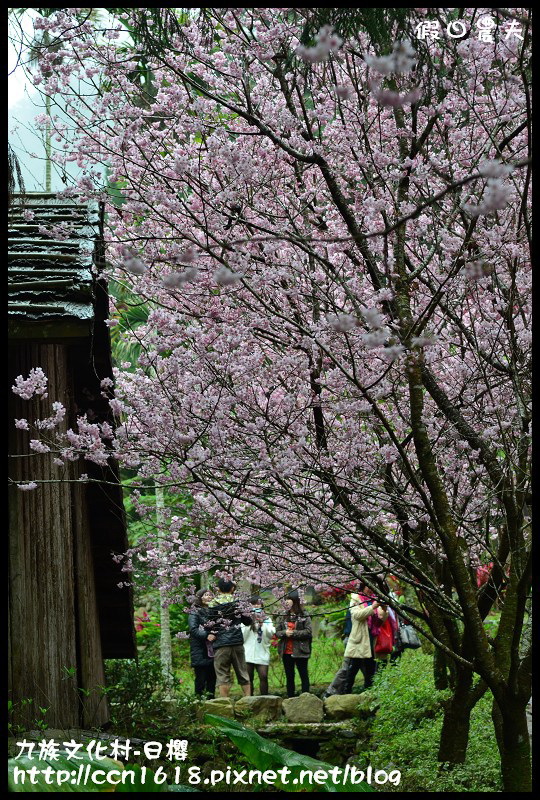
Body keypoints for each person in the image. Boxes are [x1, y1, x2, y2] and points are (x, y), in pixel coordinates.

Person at [207, 578, 253, 698]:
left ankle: (224, 703)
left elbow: (210, 624)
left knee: (222, 675)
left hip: (221, 644)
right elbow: (248, 621)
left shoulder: (212, 604)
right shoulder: (238, 603)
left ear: (218, 589)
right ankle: (248, 700)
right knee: (242, 672)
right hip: (237, 642)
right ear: (232, 588)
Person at [343, 589, 388, 692]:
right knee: (354, 667)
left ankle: (369, 693)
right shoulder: (356, 598)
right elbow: (357, 615)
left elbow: (380, 621)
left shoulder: (374, 599)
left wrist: (384, 610)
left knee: (371, 668)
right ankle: (346, 693)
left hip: (371, 638)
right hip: (360, 638)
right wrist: (372, 607)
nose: (370, 588)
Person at [275, 591, 312, 697]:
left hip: (300, 650)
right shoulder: (282, 615)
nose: (286, 601)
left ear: (295, 601)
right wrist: (285, 633)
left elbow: (308, 631)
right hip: (286, 651)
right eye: (286, 599)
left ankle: (306, 698)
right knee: (289, 676)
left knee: (303, 674)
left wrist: (294, 633)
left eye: (289, 599)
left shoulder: (304, 615)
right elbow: (277, 632)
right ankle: (290, 698)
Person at [241, 598, 275, 695]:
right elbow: (242, 636)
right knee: (248, 677)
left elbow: (270, 634)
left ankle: (264, 699)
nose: (256, 606)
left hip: (262, 651)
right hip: (247, 652)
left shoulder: (267, 619)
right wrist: (249, 624)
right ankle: (249, 700)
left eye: (258, 604)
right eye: (253, 604)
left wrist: (262, 624)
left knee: (263, 676)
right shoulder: (244, 619)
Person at [187, 588, 217, 697]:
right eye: (206, 595)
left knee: (212, 678)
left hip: (213, 649)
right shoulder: (194, 611)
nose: (209, 597)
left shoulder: (214, 611)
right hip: (200, 649)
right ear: (200, 597)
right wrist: (206, 635)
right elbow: (193, 630)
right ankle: (198, 702)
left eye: (210, 595)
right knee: (201, 678)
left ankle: (211, 702)